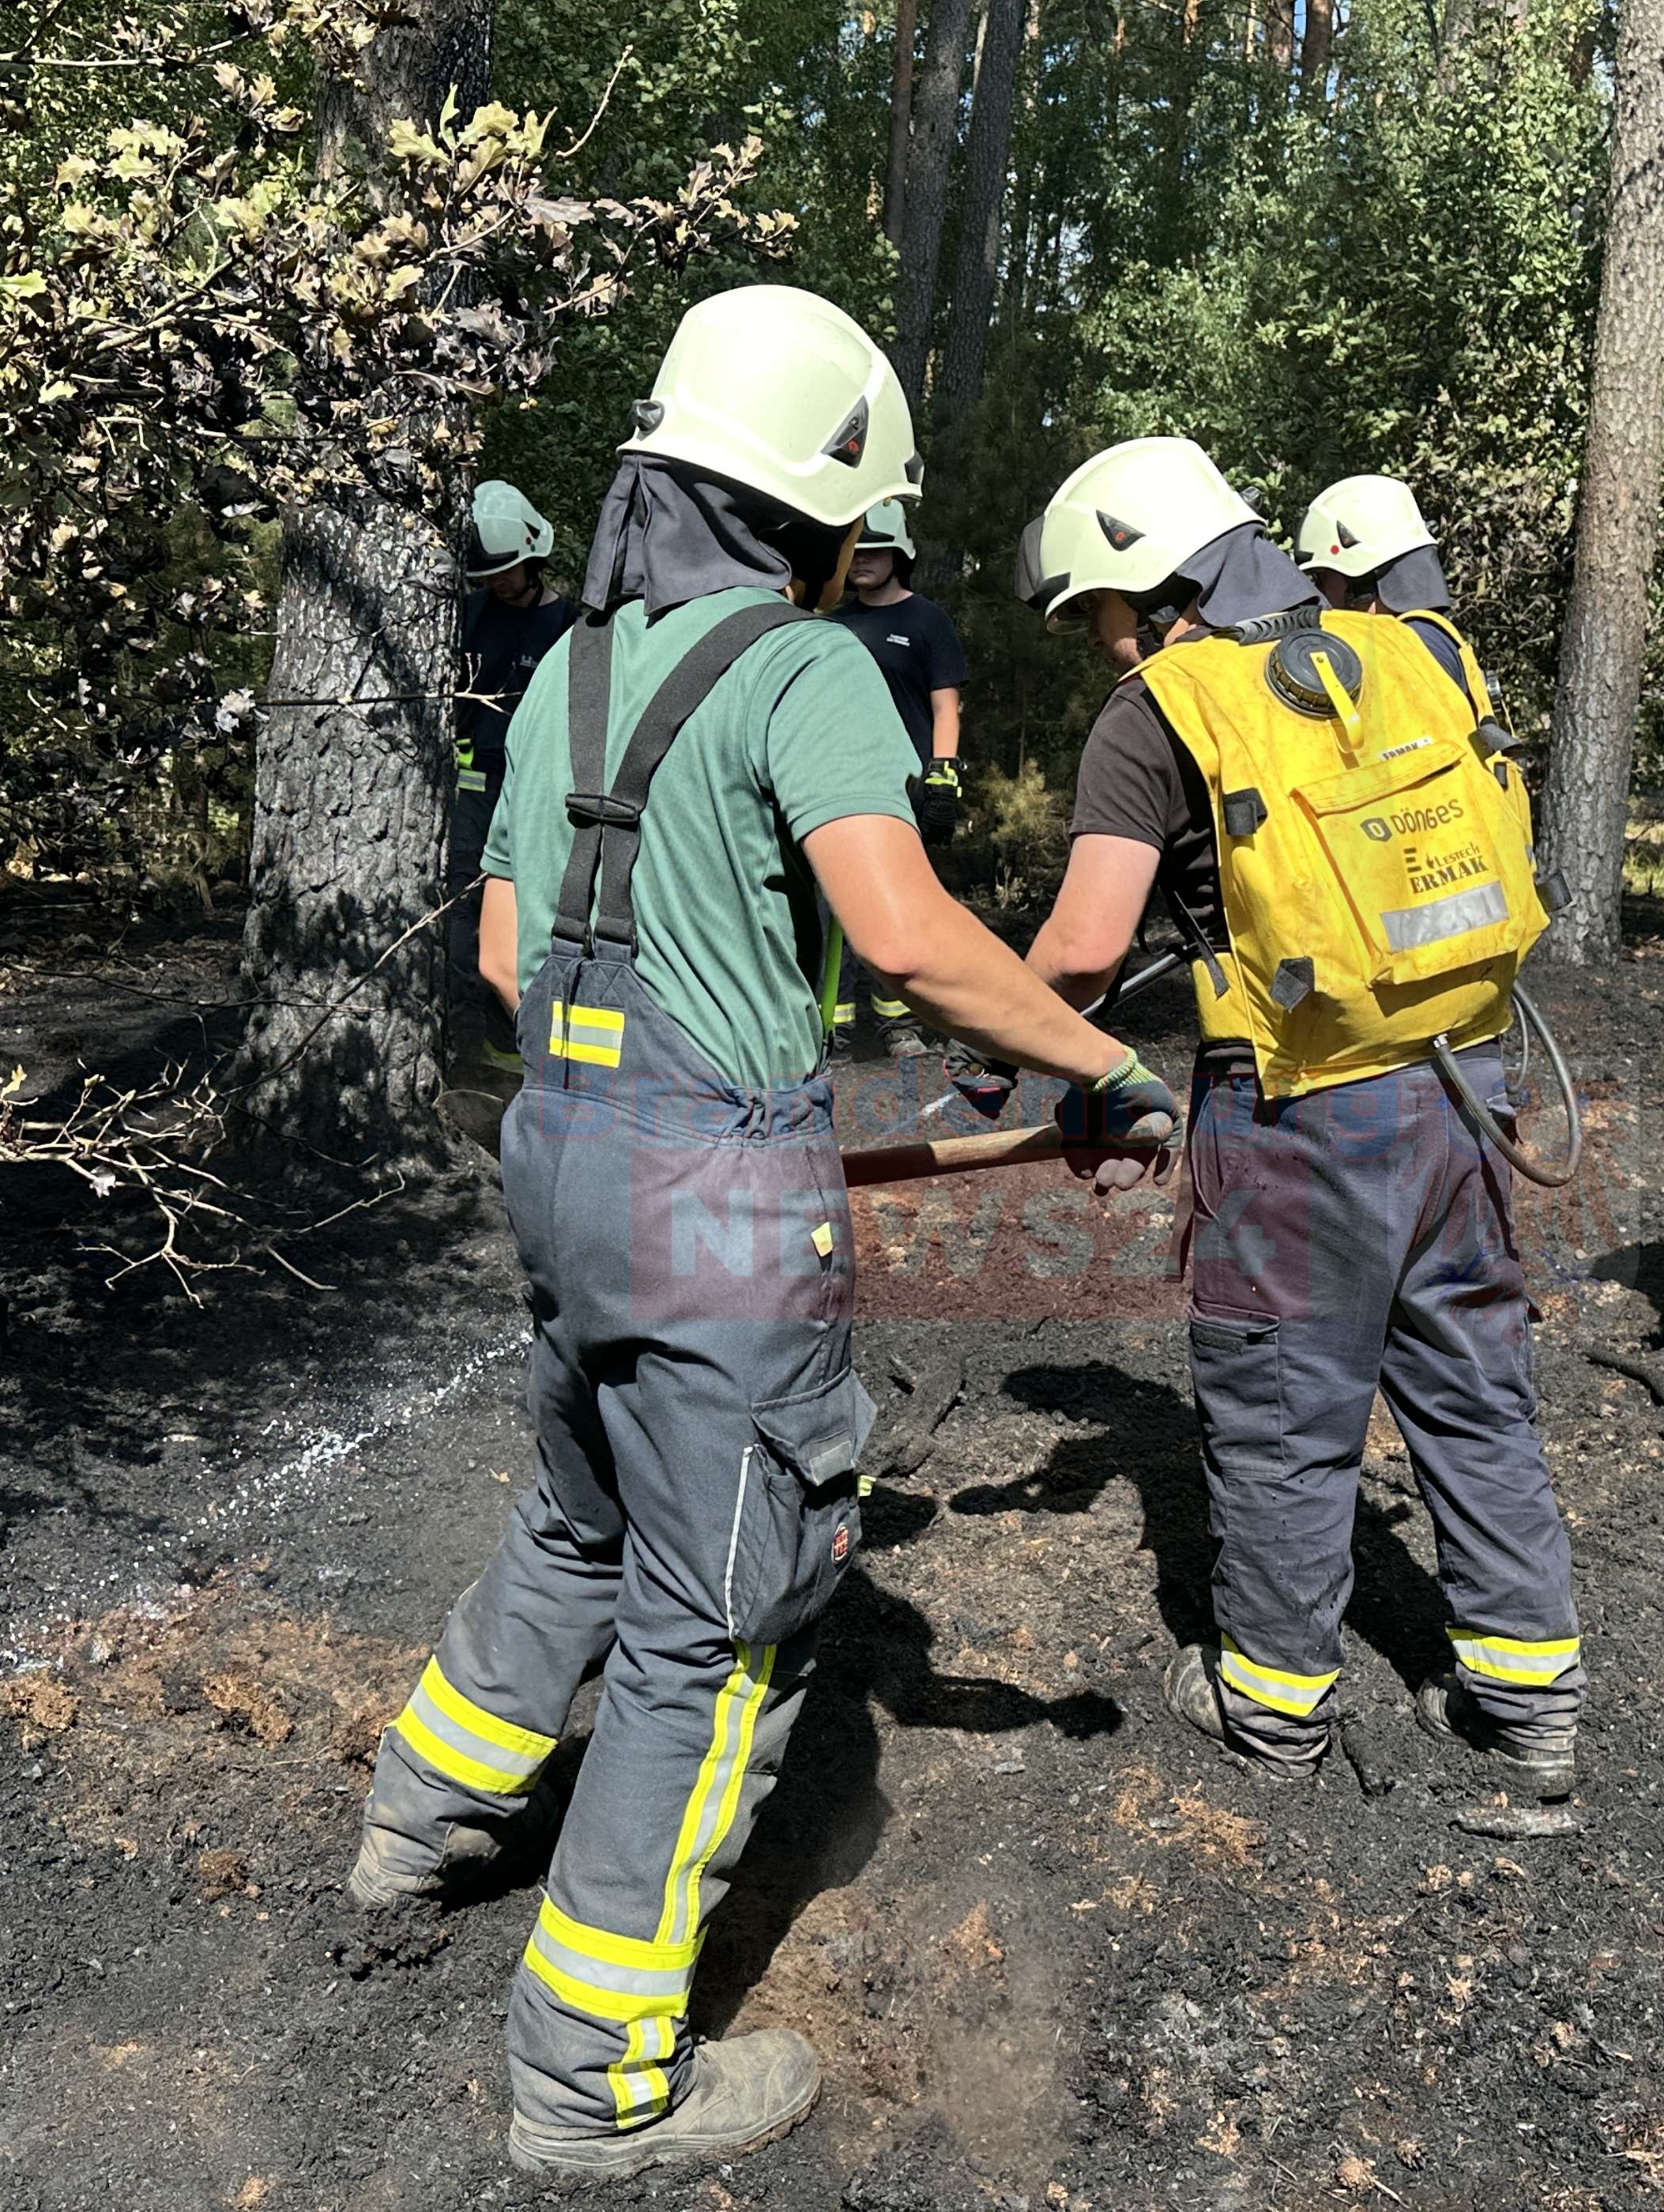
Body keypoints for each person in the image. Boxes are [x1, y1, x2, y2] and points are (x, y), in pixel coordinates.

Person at [344, 286, 1178, 2185]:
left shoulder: (570, 671)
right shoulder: (809, 671)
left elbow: (503, 956)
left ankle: (422, 1821)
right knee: (721, 1626)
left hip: (559, 1154)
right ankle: (593, 2078)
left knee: (581, 1516)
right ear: (814, 507)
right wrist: (1103, 1064)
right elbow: (902, 935)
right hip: (715, 1207)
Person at [1015, 435, 1585, 1798]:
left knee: (1283, 1410)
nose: (1098, 643)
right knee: (1474, 1391)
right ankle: (1530, 1702)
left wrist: (999, 1051)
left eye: (1096, 611)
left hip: (1294, 1118)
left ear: (1155, 583)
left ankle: (1271, 1708)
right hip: (1468, 1086)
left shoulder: (1162, 707)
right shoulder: (1416, 652)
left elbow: (1084, 948)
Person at [826, 499, 969, 1061]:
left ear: (900, 555)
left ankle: (899, 1025)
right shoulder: (831, 625)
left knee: (898, 906)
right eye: (854, 551)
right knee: (831, 910)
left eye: (875, 550)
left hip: (904, 787)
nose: (862, 560)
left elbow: (946, 708)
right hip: (835, 782)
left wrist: (942, 778)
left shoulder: (927, 622)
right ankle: (831, 1030)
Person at [452, 482, 576, 1068]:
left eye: (507, 571)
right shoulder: (466, 616)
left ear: (534, 558)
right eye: (488, 575)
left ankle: (522, 1040)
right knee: (465, 916)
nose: (498, 584)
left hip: (540, 791)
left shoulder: (570, 626)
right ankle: (470, 1040)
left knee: (536, 911)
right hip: (473, 789)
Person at [1294, 472, 1453, 620]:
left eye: (1322, 577)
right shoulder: (1438, 635)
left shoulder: (1373, 640)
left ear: (1362, 586)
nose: (1321, 594)